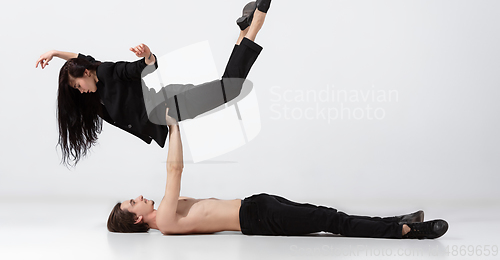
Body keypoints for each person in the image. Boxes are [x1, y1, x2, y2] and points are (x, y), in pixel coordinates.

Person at [107, 118, 449, 239]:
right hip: (257, 218)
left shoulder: (166, 212)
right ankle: (407, 232)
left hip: (256, 205)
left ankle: (393, 221)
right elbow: (175, 169)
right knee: (331, 220)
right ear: (137, 217)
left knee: (328, 214)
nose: (139, 195)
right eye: (134, 201)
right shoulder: (165, 219)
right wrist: (174, 127)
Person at [35, 0, 272, 166]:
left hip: (173, 103)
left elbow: (133, 69)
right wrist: (55, 53)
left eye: (77, 86)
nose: (80, 91)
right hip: (172, 104)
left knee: (229, 89)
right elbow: (81, 58)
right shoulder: (95, 83)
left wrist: (148, 57)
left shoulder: (107, 72)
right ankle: (244, 31)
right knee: (227, 87)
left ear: (86, 74)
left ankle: (257, 22)